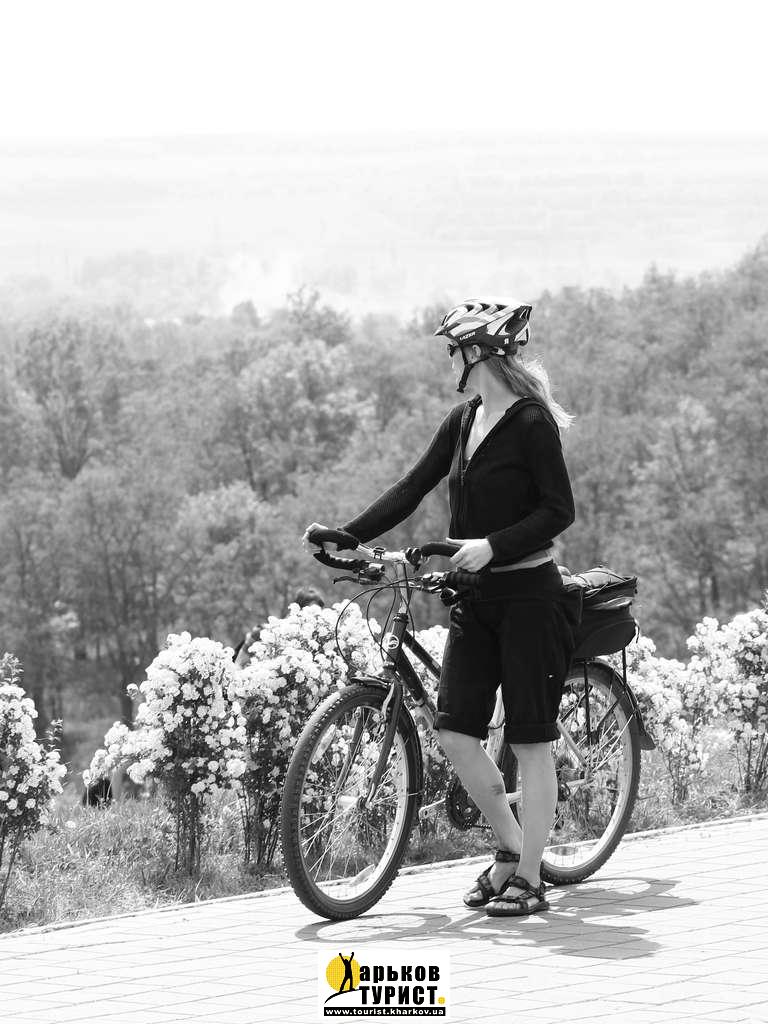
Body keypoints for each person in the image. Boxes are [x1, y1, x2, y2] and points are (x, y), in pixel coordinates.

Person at [303, 298, 580, 917]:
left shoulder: (532, 423)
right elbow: (411, 486)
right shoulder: (463, 420)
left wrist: (493, 545)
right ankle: (511, 849)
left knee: (531, 742)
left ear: (478, 352)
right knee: (455, 733)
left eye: (455, 350)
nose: (450, 360)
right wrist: (348, 535)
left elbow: (558, 511)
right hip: (474, 598)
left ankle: (530, 877)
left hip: (529, 596)